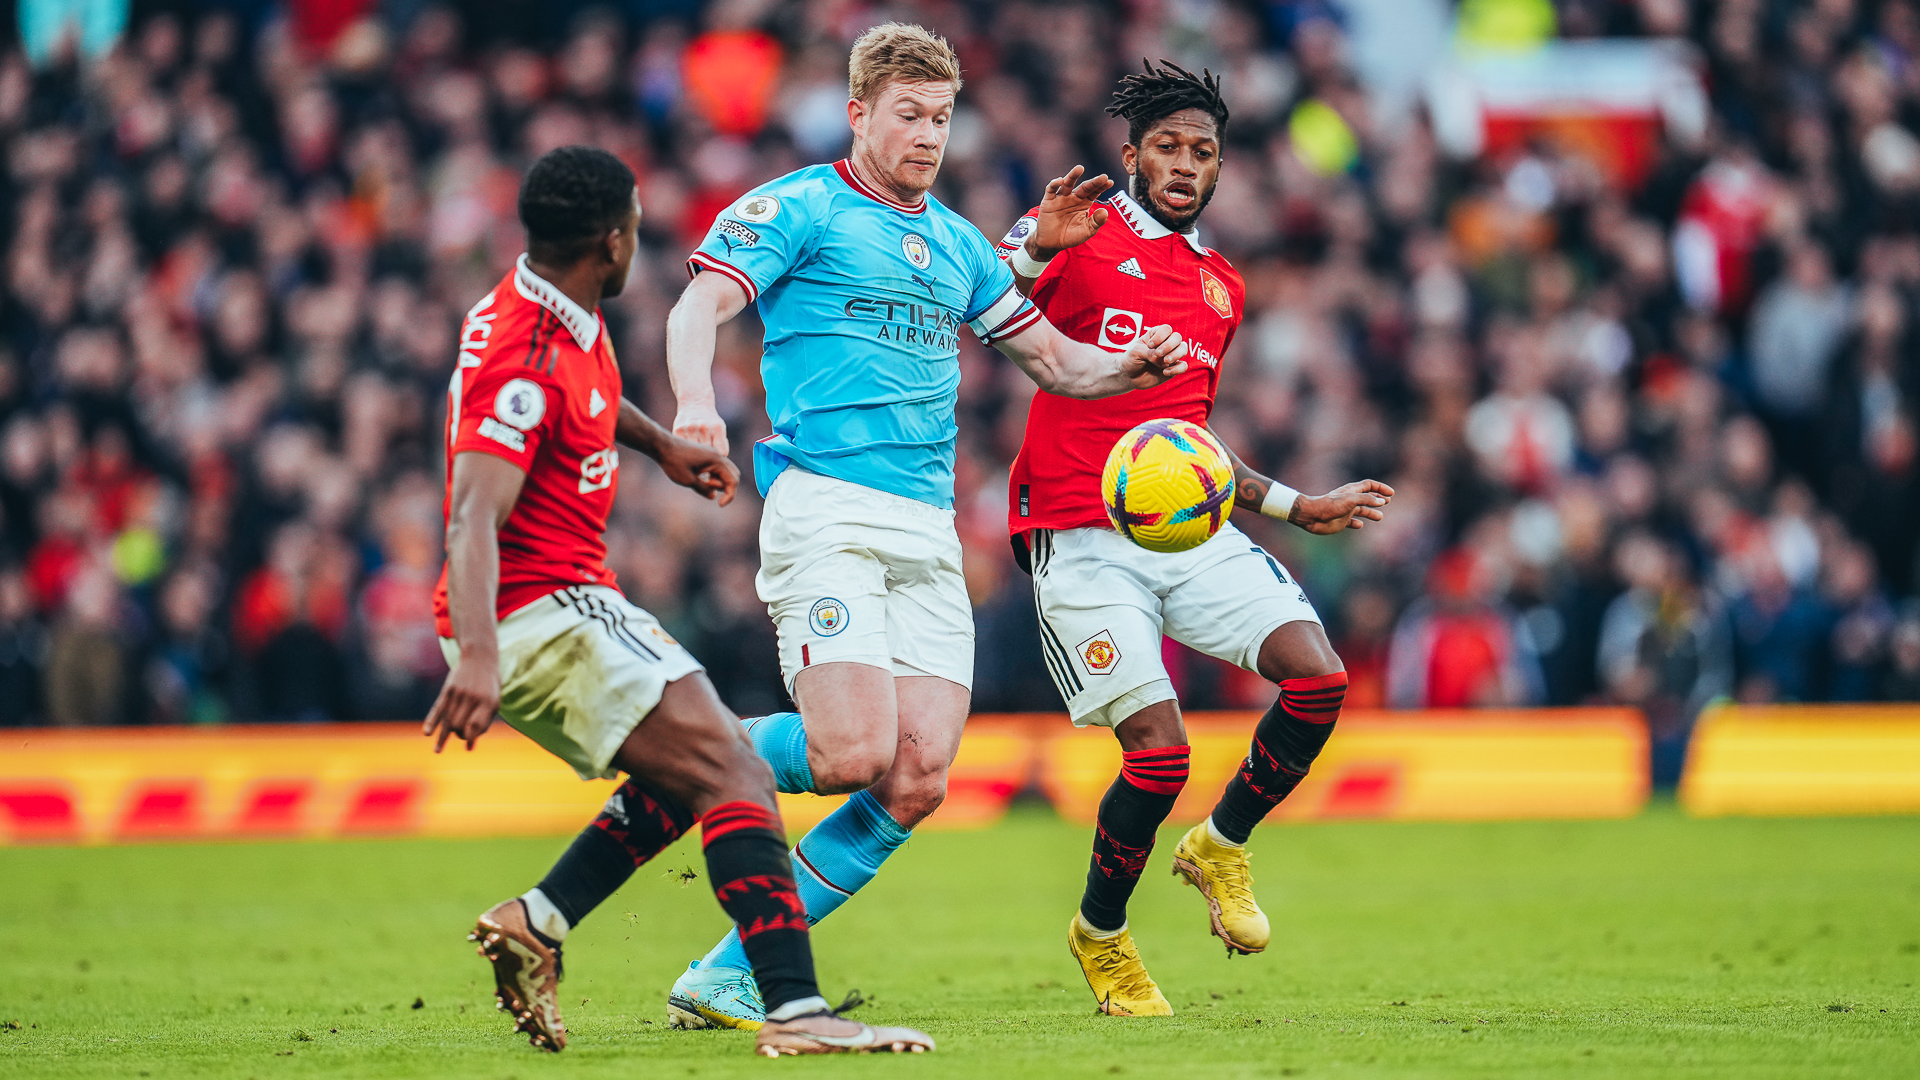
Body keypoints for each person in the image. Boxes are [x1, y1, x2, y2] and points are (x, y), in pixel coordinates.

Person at [500, 22, 1188, 1030]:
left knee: (918, 778)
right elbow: (698, 310)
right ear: (859, 111)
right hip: (826, 508)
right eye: (907, 114)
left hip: (927, 528)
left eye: (941, 118)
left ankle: (729, 973)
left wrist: (1135, 364)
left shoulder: (958, 242)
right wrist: (696, 407)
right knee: (850, 754)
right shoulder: (800, 205)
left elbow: (1057, 363)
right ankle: (689, 751)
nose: (925, 135)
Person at [423, 145, 932, 1058]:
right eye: (636, 227)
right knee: (732, 769)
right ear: (612, 240)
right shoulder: (521, 353)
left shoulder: (560, 307)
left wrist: (660, 446)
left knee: (688, 769)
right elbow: (471, 516)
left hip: (571, 597)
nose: (640, 242)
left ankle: (536, 920)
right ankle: (793, 1011)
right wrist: (480, 657)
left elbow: (588, 400)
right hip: (536, 607)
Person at [998, 61, 1391, 1015]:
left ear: (1220, 169)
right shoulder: (1080, 239)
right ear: (1132, 157)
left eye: (1202, 151)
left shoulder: (1220, 286)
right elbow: (977, 302)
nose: (1184, 163)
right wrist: (1024, 248)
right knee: (1160, 754)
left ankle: (1220, 844)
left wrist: (1302, 506)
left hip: (1187, 533)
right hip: (1078, 534)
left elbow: (1191, 448)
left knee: (1320, 678)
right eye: (1167, 147)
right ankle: (1102, 936)